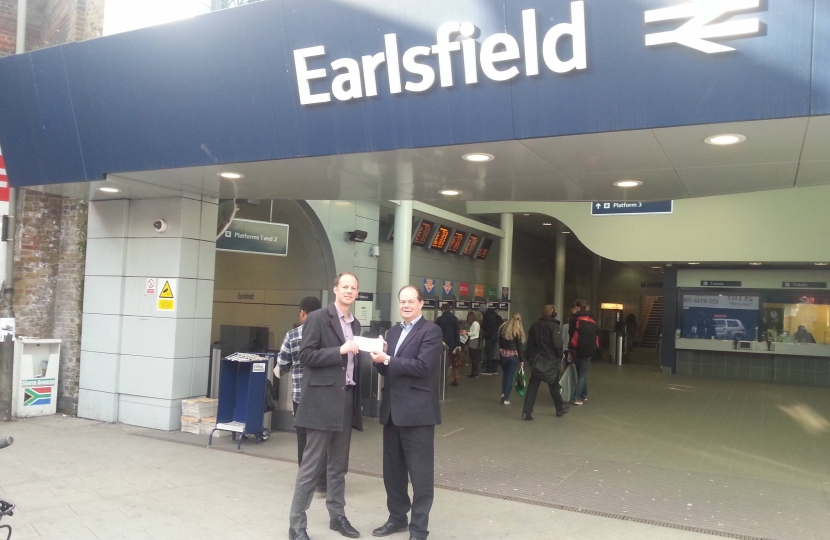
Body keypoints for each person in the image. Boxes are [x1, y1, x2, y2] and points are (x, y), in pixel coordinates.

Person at [288, 273, 364, 540]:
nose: (349, 291)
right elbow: (305, 356)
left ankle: (337, 516)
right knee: (311, 466)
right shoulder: (319, 317)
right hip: (321, 403)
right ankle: (297, 525)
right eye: (345, 286)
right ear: (335, 289)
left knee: (339, 466)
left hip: (346, 400)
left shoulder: (356, 324)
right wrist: (339, 351)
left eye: (353, 288)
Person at [370, 285, 443, 540]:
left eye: (411, 301)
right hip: (392, 412)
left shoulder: (431, 331)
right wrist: (378, 359)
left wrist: (388, 360)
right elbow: (388, 370)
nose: (406, 306)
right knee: (393, 471)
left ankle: (419, 529)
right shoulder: (392, 331)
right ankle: (397, 519)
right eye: (403, 301)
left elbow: (423, 367)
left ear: (421, 303)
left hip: (418, 413)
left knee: (420, 475)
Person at [277, 296, 325, 494]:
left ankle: (306, 482)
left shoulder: (293, 335)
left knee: (303, 439)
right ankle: (323, 482)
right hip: (324, 395)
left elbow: (282, 364)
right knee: (323, 438)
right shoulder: (327, 334)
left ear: (302, 313)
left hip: (301, 396)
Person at [521, 305, 569, 420]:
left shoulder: (535, 326)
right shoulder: (554, 327)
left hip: (537, 361)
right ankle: (559, 409)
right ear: (554, 314)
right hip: (550, 361)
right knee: (554, 385)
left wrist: (530, 358)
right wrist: (560, 355)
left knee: (533, 387)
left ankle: (526, 412)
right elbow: (557, 345)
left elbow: (529, 344)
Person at [568, 299, 599, 406]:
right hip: (589, 350)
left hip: (577, 349)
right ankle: (584, 394)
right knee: (582, 373)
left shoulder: (575, 318)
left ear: (577, 307)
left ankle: (577, 397)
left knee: (580, 373)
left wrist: (569, 350)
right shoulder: (593, 318)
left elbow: (571, 334)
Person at [497, 312, 525, 405]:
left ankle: (503, 393)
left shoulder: (503, 328)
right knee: (509, 377)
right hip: (513, 356)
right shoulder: (518, 331)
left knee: (505, 375)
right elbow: (519, 347)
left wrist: (501, 350)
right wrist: (522, 360)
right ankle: (506, 398)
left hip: (503, 355)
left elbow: (499, 341)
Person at [435, 303, 462, 386]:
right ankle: (456, 379)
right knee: (454, 362)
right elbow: (456, 333)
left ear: (442, 310)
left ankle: (442, 379)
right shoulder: (454, 319)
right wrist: (458, 345)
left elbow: (435, 332)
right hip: (453, 344)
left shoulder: (439, 319)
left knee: (441, 362)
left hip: (441, 343)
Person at [480, 304, 503, 375]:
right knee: (494, 353)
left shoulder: (487, 316)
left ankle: (489, 369)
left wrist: (483, 336)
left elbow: (485, 326)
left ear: (483, 311)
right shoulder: (494, 314)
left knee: (489, 353)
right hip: (496, 336)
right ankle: (494, 369)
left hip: (490, 337)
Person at [462, 311, 482, 377]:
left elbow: (474, 333)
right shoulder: (475, 323)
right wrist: (467, 331)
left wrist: (466, 333)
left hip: (474, 340)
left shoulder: (475, 323)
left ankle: (474, 372)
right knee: (474, 357)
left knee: (473, 357)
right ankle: (474, 371)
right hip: (474, 340)